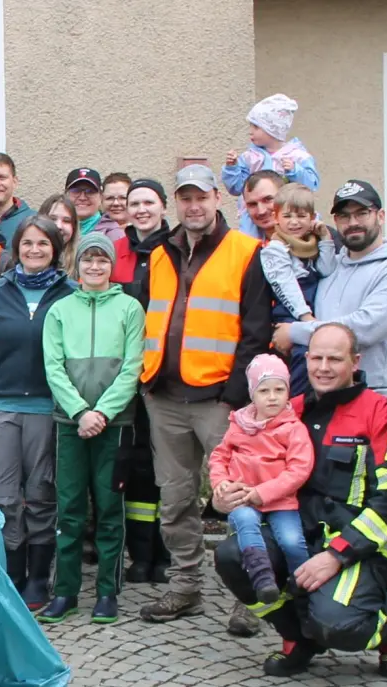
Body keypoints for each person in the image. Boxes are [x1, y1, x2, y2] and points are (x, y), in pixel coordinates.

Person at [212, 323, 387, 679]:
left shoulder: (378, 412)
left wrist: (337, 554)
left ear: (355, 362)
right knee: (232, 556)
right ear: (305, 359)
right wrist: (224, 492)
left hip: (363, 543)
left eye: (334, 359)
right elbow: (240, 460)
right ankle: (297, 637)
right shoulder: (288, 410)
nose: (323, 367)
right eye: (317, 358)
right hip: (301, 529)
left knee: (337, 625)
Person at [136, 165, 274, 632]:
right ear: (176, 203)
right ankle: (186, 586)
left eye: (201, 197)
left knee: (237, 496)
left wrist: (235, 396)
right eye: (185, 198)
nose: (193, 206)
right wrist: (146, 383)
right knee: (175, 498)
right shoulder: (161, 253)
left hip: (218, 400)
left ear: (217, 198)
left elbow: (255, 331)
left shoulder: (246, 252)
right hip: (165, 397)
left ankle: (249, 595)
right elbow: (147, 318)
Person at [0, 216, 75, 608]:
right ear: (16, 248)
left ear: (55, 249)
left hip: (47, 408)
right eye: (27, 243)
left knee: (42, 493)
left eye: (43, 243)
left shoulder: (69, 293)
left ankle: (39, 578)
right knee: (1, 495)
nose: (34, 250)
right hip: (0, 406)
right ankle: (12, 574)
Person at [37, 233, 146, 625]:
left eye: (102, 260)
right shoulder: (60, 310)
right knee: (69, 509)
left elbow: (133, 367)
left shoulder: (130, 308)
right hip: (71, 424)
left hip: (115, 425)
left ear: (111, 265)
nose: (95, 266)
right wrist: (81, 412)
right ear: (77, 265)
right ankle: (65, 591)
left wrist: (102, 412)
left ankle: (106, 592)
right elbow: (53, 366)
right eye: (88, 260)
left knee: (109, 508)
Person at [275, 180, 387, 397]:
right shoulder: (331, 266)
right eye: (344, 216)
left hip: (371, 392)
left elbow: (365, 327)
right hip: (322, 392)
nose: (353, 222)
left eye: (362, 213)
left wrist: (295, 332)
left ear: (381, 216)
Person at [208, 353, 314, 609]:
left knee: (291, 540)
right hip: (243, 497)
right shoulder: (240, 424)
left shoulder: (293, 428)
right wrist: (220, 481)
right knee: (245, 522)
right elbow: (220, 456)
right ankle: (262, 577)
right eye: (264, 391)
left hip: (280, 501)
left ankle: (302, 584)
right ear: (252, 394)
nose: (272, 397)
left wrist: (262, 493)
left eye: (279, 390)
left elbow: (299, 469)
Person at [110, 178, 174, 583]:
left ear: (163, 206)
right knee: (134, 468)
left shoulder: (178, 250)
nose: (142, 210)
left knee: (167, 467)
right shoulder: (116, 251)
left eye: (149, 202)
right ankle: (140, 554)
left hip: (165, 378)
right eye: (135, 203)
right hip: (125, 377)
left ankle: (166, 553)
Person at [260, 183, 335, 395]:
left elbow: (327, 269)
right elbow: (285, 286)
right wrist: (305, 317)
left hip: (313, 314)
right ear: (276, 218)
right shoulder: (275, 250)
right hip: (291, 314)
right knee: (303, 359)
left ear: (312, 218)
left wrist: (325, 239)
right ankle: (296, 403)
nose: (294, 222)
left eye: (301, 216)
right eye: (287, 216)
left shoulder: (312, 245)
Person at [223, 93, 319, 239]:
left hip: (290, 216)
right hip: (253, 222)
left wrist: (295, 171)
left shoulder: (297, 156)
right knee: (249, 245)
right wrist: (232, 168)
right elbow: (236, 188)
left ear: (272, 129)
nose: (250, 131)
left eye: (256, 127)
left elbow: (311, 185)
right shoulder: (249, 157)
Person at [64, 168, 125, 242]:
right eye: (76, 191)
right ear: (65, 195)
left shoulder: (114, 235)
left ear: (101, 197)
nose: (82, 198)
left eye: (90, 191)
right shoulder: (56, 229)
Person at [240, 170, 284, 239]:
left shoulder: (302, 242)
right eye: (252, 204)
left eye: (268, 199)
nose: (261, 211)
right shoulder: (242, 243)